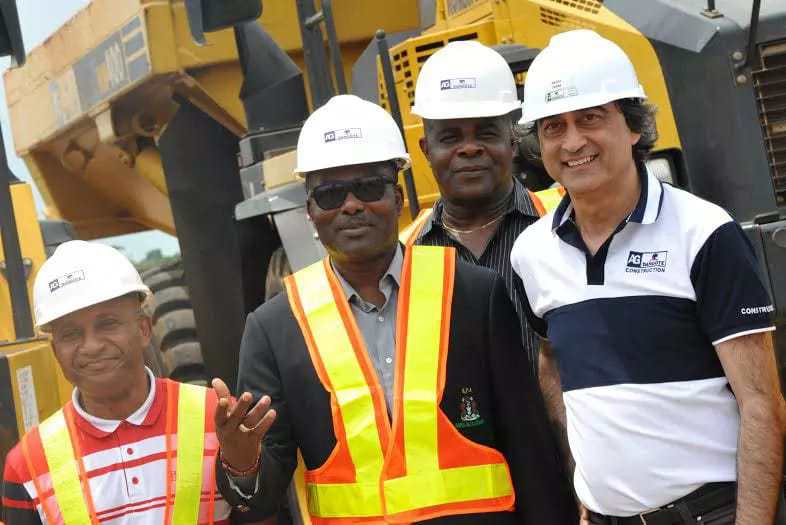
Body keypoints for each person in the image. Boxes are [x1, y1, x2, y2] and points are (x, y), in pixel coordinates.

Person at [212, 94, 578, 524]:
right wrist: (240, 463)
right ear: (310, 212)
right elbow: (261, 501)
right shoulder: (275, 328)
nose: (351, 205)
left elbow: (529, 451)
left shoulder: (473, 294)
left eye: (369, 187)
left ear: (399, 194)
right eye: (329, 194)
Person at [510, 29, 786, 524]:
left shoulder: (704, 233)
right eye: (553, 126)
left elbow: (761, 404)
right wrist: (584, 491)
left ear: (633, 126)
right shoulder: (531, 252)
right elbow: (552, 361)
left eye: (590, 118)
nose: (573, 142)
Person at [0, 241, 238, 524]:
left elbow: (261, 513)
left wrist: (248, 470)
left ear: (143, 329)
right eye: (71, 334)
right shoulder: (26, 464)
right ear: (55, 352)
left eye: (107, 324)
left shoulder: (219, 418)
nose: (91, 346)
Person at [404, 41, 544, 373]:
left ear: (512, 140)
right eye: (450, 138)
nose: (469, 149)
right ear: (426, 149)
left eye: (485, 133)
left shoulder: (559, 227)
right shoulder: (409, 254)